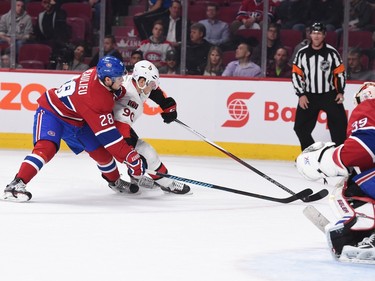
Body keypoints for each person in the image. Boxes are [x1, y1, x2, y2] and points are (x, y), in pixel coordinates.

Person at [3, 56, 145, 202]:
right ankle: (16, 184)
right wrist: (130, 157)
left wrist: (121, 93)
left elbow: (113, 92)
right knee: (46, 148)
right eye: (119, 78)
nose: (122, 81)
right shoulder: (97, 100)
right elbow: (110, 139)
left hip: (76, 118)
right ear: (108, 80)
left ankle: (115, 182)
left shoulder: (97, 72)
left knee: (101, 153)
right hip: (52, 113)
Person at [296, 82, 375, 263]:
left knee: (354, 187)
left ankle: (366, 231)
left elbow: (363, 149)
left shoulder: (370, 105)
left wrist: (322, 160)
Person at [113, 60, 190, 194]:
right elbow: (122, 131)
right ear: (141, 81)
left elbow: (153, 92)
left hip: (116, 125)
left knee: (142, 154)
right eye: (152, 84)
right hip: (112, 130)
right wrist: (132, 156)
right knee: (146, 153)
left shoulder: (136, 82)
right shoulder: (130, 98)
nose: (153, 87)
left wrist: (166, 104)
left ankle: (136, 177)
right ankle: (167, 184)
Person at [292, 22, 347, 151]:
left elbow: (340, 73)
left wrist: (340, 92)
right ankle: (311, 154)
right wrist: (301, 94)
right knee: (300, 127)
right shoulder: (302, 53)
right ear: (310, 34)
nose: (316, 36)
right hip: (309, 95)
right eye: (314, 33)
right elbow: (296, 74)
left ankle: (339, 157)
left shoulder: (332, 53)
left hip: (330, 95)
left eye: (319, 33)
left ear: (324, 35)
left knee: (340, 125)